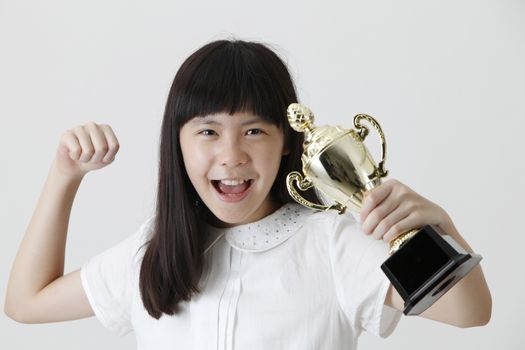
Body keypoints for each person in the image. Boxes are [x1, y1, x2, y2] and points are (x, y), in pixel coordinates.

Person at [4, 39, 491, 349]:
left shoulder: (332, 244)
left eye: (254, 131)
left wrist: (439, 226)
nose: (232, 155)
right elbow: (26, 303)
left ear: (286, 143)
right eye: (208, 132)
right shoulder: (150, 252)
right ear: (177, 143)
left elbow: (470, 313)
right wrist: (64, 175)